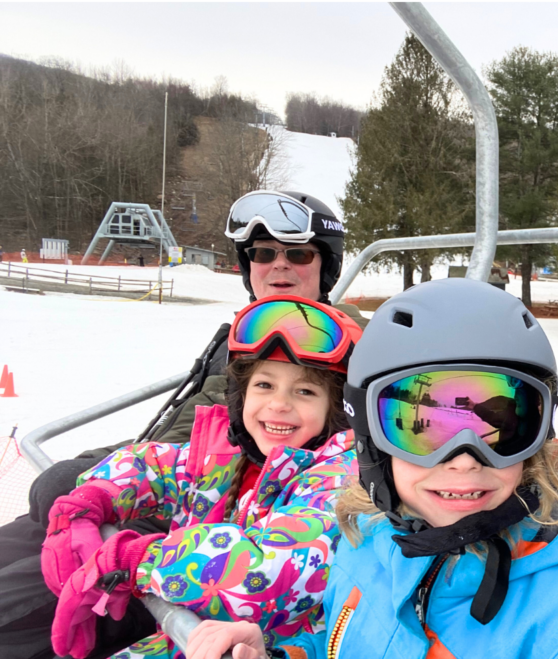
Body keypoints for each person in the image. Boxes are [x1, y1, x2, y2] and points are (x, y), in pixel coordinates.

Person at [184, 278, 558, 659]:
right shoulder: (368, 540)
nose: (463, 459)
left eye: (502, 429)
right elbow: (342, 643)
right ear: (371, 443)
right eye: (423, 427)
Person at [0, 190, 367, 659]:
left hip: (211, 582)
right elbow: (176, 456)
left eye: (297, 254)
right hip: (188, 530)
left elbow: (278, 565)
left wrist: (138, 556)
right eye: (263, 253)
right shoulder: (241, 355)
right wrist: (95, 487)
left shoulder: (343, 358)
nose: (278, 266)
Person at [44, 295, 362, 659]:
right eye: (264, 385)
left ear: (336, 409)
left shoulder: (340, 479)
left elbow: (268, 569)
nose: (279, 404)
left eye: (305, 391)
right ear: (240, 396)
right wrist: (88, 502)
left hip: (262, 648)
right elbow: (154, 465)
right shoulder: (226, 455)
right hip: (188, 637)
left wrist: (136, 560)